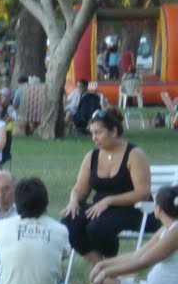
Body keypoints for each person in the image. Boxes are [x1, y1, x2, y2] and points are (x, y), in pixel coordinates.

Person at [61, 106, 157, 263]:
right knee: (68, 223)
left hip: (133, 209)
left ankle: (110, 266)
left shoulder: (134, 154)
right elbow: (80, 189)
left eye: (98, 132)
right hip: (101, 209)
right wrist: (73, 201)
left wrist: (108, 200)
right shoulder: (91, 156)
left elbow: (142, 193)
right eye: (92, 133)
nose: (94, 138)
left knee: (97, 227)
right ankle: (106, 269)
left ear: (113, 131)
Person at [0, 177, 69, 284]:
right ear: (45, 202)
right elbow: (64, 254)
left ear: (17, 202)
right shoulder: (60, 230)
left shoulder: (1, 227)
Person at [85, 184, 178, 284]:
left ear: (159, 209)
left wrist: (106, 272)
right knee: (108, 278)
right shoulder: (166, 229)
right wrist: (102, 265)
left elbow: (144, 262)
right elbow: (137, 255)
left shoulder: (175, 232)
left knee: (105, 283)